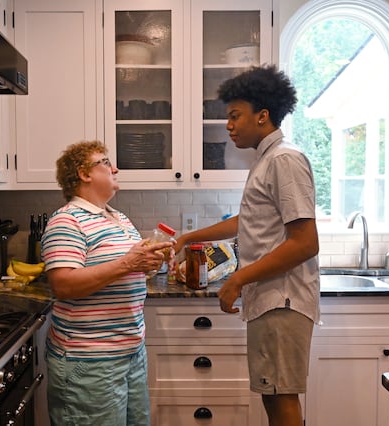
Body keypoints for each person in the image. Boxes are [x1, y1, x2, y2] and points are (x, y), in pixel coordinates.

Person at [173, 65, 320, 426]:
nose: (229, 125)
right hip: (269, 300)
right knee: (273, 396)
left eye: (236, 115)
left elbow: (305, 242)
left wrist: (239, 278)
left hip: (281, 299)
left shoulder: (284, 160)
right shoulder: (267, 160)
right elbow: (247, 221)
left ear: (263, 115)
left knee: (282, 399)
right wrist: (188, 238)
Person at [41, 140, 172, 426]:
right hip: (88, 361)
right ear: (84, 174)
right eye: (105, 162)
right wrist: (129, 263)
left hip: (131, 353)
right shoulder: (66, 221)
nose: (115, 168)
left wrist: (153, 260)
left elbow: (131, 270)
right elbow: (63, 285)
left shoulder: (118, 218)